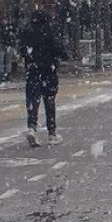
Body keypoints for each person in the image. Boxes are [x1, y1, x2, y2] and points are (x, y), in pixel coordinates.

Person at [20, 11, 66, 147]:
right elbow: (58, 48)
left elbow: (23, 50)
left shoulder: (27, 32)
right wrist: (62, 55)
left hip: (32, 69)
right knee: (49, 99)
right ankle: (51, 133)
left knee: (33, 99)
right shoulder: (49, 31)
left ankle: (31, 127)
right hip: (48, 68)